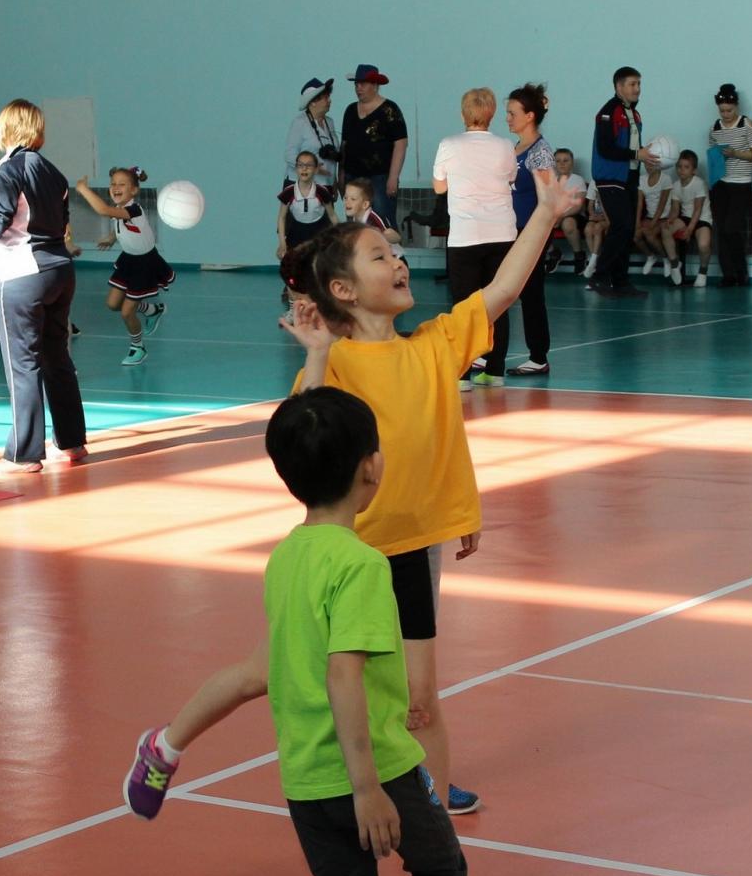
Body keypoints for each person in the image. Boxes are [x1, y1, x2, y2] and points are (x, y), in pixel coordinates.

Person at [121, 179, 584, 825]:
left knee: (421, 696)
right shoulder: (333, 362)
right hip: (340, 551)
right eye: (379, 255)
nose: (398, 262)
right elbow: (300, 435)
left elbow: (502, 289)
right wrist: (314, 356)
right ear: (341, 290)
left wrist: (546, 213)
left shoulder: (436, 345)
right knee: (264, 672)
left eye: (395, 253)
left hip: (410, 549)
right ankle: (164, 746)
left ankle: (432, 824)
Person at [195, 386, 469, 876]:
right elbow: (345, 674)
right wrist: (369, 787)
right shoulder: (361, 564)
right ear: (371, 467)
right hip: (372, 770)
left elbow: (267, 667)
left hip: (303, 772)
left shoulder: (288, 555)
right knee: (442, 867)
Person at [0, 100, 87, 472]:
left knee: (23, 364)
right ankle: (71, 443)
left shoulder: (6, 170)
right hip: (59, 271)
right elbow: (63, 224)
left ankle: (23, 454)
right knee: (57, 358)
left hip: (21, 275)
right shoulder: (54, 173)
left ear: (6, 129)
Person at [434, 87, 518, 390]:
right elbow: (511, 178)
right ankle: (495, 372)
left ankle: (462, 374)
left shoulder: (449, 144)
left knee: (463, 306)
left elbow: (439, 187)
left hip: (465, 237)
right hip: (501, 233)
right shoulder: (505, 145)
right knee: (498, 302)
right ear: (492, 114)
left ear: (463, 114)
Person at [77, 165, 173, 366]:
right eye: (113, 184)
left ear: (134, 190)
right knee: (112, 304)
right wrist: (112, 238)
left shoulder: (134, 209)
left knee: (127, 312)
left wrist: (83, 189)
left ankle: (138, 347)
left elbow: (103, 210)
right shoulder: (120, 210)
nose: (115, 187)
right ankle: (150, 310)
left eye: (122, 184)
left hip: (144, 263)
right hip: (129, 259)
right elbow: (120, 224)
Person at [589, 66, 658, 298]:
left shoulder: (634, 114)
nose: (637, 89)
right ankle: (600, 274)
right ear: (619, 87)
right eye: (632, 84)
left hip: (629, 177)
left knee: (628, 230)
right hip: (610, 177)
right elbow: (606, 148)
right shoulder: (608, 113)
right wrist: (637, 155)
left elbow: (633, 150)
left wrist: (644, 160)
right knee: (622, 226)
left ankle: (621, 281)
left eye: (639, 84)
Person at [502, 82, 556, 377]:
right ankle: (488, 353)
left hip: (530, 231)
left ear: (530, 116)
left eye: (513, 113)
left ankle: (538, 355)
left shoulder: (540, 151)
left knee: (531, 292)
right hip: (510, 229)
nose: (507, 118)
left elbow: (547, 199)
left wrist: (539, 235)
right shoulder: (514, 148)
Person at [340, 64, 407, 226]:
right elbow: (344, 145)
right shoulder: (350, 110)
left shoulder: (389, 109)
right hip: (353, 175)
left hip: (380, 176)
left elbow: (401, 144)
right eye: (356, 84)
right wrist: (341, 173)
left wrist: (393, 176)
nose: (358, 88)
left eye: (363, 84)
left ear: (375, 86)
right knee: (354, 222)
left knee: (382, 220)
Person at [707, 82, 752, 287]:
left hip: (741, 183)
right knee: (721, 229)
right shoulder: (715, 128)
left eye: (729, 110)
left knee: (732, 229)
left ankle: (741, 272)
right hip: (721, 184)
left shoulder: (747, 125)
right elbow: (712, 155)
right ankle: (727, 274)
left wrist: (735, 153)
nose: (726, 114)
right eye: (722, 111)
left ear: (736, 107)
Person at [666, 149, 714, 288]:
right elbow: (676, 209)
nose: (682, 170)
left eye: (686, 167)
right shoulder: (675, 186)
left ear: (694, 170)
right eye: (679, 166)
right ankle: (675, 264)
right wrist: (671, 218)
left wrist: (690, 229)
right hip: (686, 217)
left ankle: (702, 272)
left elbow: (698, 209)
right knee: (665, 229)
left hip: (702, 219)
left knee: (704, 245)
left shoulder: (699, 183)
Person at [277, 152, 337, 260]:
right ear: (296, 168)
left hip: (319, 232)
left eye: (309, 165)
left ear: (316, 169)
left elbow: (332, 216)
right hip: (296, 233)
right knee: (291, 261)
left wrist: (342, 235)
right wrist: (282, 243)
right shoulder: (289, 192)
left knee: (318, 262)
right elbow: (282, 217)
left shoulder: (322, 192)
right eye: (300, 165)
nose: (304, 169)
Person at [286, 78, 339, 188]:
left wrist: (334, 181)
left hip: (326, 184)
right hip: (302, 186)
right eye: (326, 98)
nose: (329, 100)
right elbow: (290, 155)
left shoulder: (329, 122)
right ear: (313, 102)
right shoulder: (300, 123)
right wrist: (312, 167)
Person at [633, 154, 678, 282]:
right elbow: (640, 204)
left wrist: (653, 223)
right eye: (646, 164)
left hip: (663, 218)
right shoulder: (641, 179)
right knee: (635, 235)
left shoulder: (666, 179)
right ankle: (650, 256)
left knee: (649, 235)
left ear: (658, 164)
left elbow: (662, 204)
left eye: (652, 164)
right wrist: (637, 223)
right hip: (649, 217)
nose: (648, 167)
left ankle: (666, 259)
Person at [549, 148, 593, 275]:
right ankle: (553, 252)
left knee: (568, 224)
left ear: (572, 163)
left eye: (565, 160)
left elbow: (578, 206)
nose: (562, 164)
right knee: (537, 224)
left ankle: (579, 255)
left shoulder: (577, 179)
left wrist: (560, 216)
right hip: (557, 216)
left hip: (575, 216)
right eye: (558, 161)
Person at [341, 177, 401, 252]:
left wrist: (379, 234)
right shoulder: (355, 218)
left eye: (353, 199)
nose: (347, 202)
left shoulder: (373, 218)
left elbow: (397, 237)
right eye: (346, 198)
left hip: (393, 260)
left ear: (365, 204)